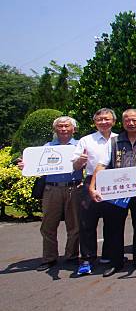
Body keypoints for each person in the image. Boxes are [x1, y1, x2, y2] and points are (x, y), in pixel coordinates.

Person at [90, 109, 136, 277]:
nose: (131, 123)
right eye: (127, 120)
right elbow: (101, 165)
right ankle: (116, 261)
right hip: (117, 192)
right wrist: (92, 187)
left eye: (134, 120)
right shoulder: (113, 142)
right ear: (122, 122)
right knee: (114, 228)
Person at [19, 116, 82, 271]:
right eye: (60, 126)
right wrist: (25, 166)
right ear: (55, 129)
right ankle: (49, 257)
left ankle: (72, 255)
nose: (63, 129)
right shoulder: (47, 147)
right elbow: (37, 165)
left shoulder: (80, 146)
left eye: (67, 126)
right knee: (48, 224)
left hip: (73, 188)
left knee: (74, 224)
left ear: (73, 129)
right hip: (51, 188)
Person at [72, 108, 118, 276]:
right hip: (91, 181)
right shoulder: (86, 140)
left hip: (114, 182)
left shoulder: (119, 139)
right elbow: (76, 165)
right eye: (100, 120)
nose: (103, 122)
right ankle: (87, 258)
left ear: (113, 121)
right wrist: (80, 161)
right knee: (87, 223)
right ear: (95, 122)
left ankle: (108, 255)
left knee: (112, 221)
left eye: (107, 119)